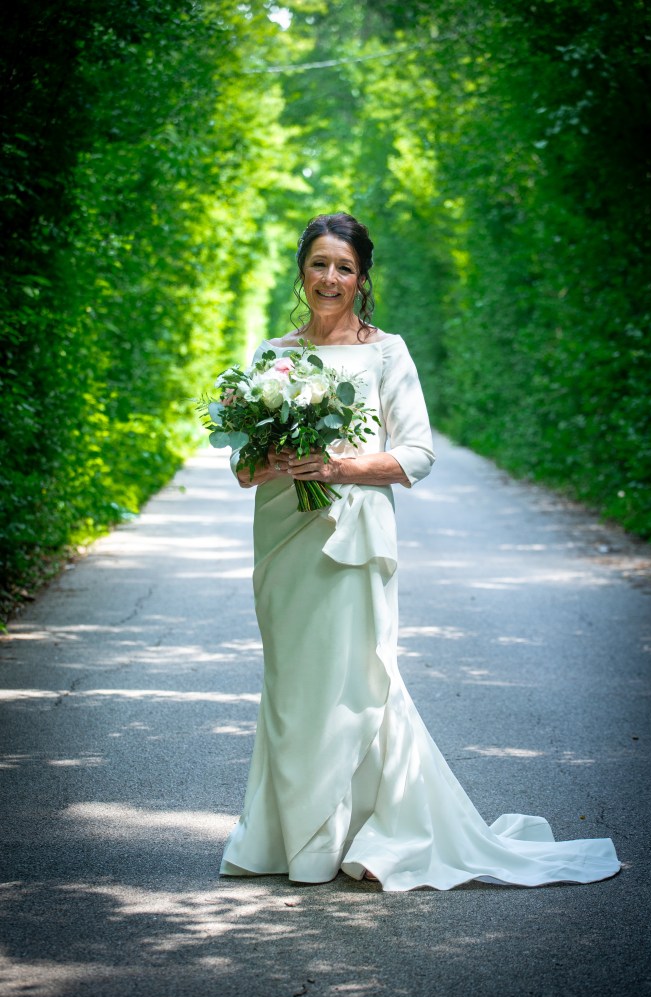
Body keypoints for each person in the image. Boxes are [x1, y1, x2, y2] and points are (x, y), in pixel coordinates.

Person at [218, 212, 621, 891]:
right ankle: (285, 838)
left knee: (356, 685)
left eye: (343, 268)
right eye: (319, 264)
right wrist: (279, 457)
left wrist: (340, 467)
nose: (329, 278)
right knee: (292, 690)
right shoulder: (270, 357)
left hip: (353, 545)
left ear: (361, 278)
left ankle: (361, 836)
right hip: (283, 541)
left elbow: (417, 454)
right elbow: (243, 469)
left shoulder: (386, 353)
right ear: (301, 271)